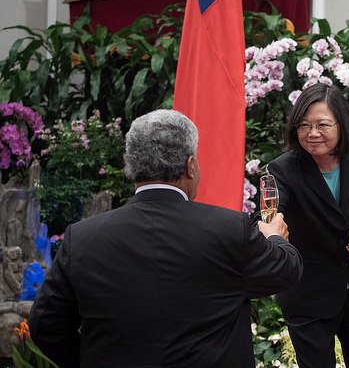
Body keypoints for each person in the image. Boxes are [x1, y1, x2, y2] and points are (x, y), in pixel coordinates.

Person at [28, 109, 302, 368]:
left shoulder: (83, 239)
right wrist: (276, 238)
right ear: (190, 166)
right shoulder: (230, 229)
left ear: (130, 167)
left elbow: (45, 325)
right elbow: (285, 272)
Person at [267, 83, 349, 368]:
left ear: (342, 124)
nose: (312, 133)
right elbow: (272, 212)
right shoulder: (282, 169)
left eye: (323, 124)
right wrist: (272, 226)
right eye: (304, 125)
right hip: (308, 293)